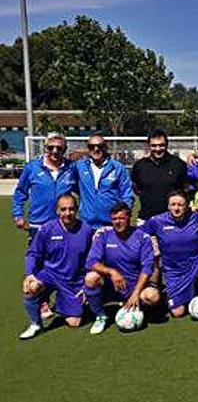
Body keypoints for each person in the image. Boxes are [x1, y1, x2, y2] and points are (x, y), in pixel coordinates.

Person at [142, 191, 198, 319]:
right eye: (173, 204)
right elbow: (138, 235)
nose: (176, 208)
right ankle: (176, 295)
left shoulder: (195, 217)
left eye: (180, 205)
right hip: (174, 271)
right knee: (178, 312)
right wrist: (151, 244)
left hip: (197, 262)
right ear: (168, 206)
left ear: (187, 206)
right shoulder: (157, 221)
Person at [19, 194, 93, 340]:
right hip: (50, 275)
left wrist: (85, 286)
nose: (67, 213)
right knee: (32, 287)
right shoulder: (47, 229)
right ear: (57, 211)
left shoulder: (86, 230)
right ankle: (36, 324)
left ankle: (61, 301)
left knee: (74, 322)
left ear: (77, 210)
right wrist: (29, 274)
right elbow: (33, 253)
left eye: (71, 209)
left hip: (73, 280)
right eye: (63, 209)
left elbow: (92, 260)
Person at [83, 203, 158, 334]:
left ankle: (136, 307)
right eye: (114, 219)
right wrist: (111, 272)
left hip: (135, 286)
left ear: (129, 217)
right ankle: (101, 316)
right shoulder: (104, 235)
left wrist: (135, 293)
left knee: (153, 297)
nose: (117, 222)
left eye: (121, 218)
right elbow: (91, 262)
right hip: (112, 286)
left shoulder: (142, 237)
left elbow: (147, 268)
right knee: (91, 278)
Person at [13, 132, 78, 241]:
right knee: (36, 257)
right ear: (45, 148)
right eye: (51, 147)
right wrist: (18, 215)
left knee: (64, 257)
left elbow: (84, 192)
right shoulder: (32, 167)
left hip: (64, 223)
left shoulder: (72, 168)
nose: (55, 151)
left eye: (59, 148)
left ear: (65, 149)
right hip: (38, 224)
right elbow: (20, 192)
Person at [75, 133, 133, 227]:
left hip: (111, 224)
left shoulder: (118, 168)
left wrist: (123, 217)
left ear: (105, 148)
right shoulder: (80, 167)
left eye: (100, 146)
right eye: (92, 146)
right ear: (88, 149)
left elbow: (127, 195)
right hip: (86, 225)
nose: (96, 149)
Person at [131, 130, 188, 223]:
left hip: (172, 220)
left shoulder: (178, 164)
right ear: (148, 146)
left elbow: (185, 188)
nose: (158, 149)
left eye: (161, 145)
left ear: (167, 145)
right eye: (154, 145)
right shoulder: (139, 166)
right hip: (146, 219)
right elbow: (136, 188)